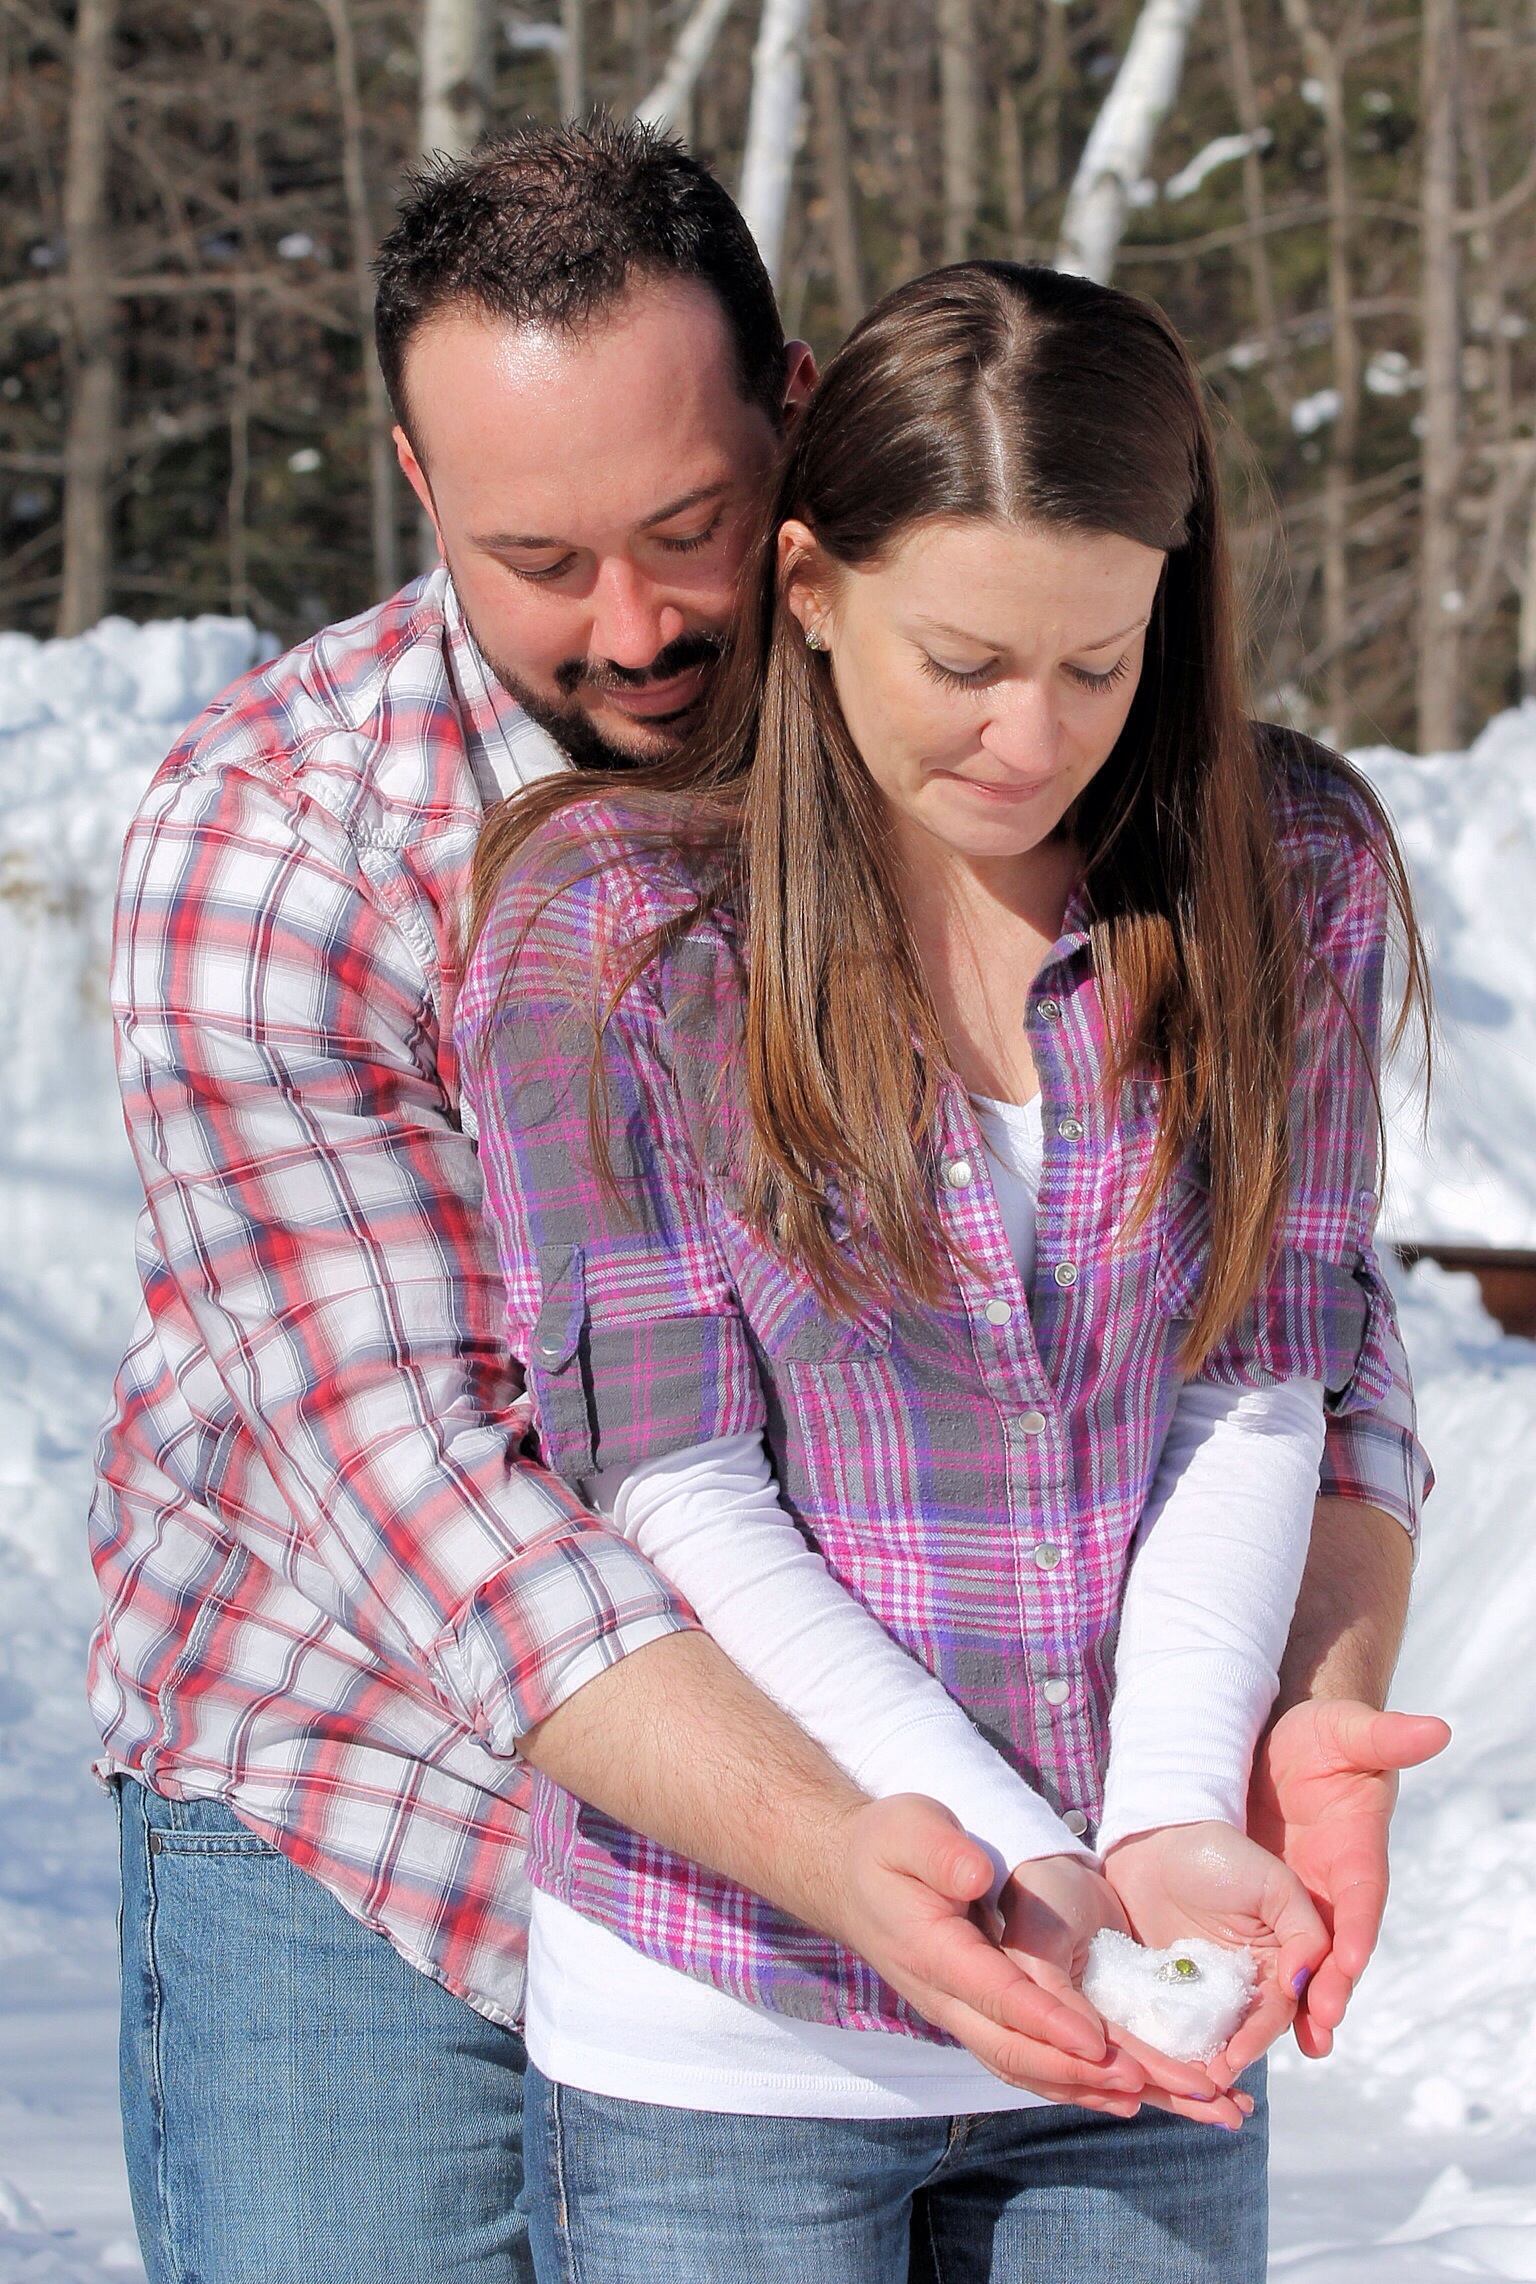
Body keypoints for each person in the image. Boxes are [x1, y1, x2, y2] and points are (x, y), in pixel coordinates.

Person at [91, 120, 1441, 2284]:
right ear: (419, 485)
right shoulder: (284, 844)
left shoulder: (980, 740)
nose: (634, 628)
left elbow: (1286, 1343)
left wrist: (1265, 1728)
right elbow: (459, 1494)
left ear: (796, 440)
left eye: (686, 529)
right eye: (537, 557)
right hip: (381, 1788)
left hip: (989, 1843)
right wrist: (887, 1843)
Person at [458, 256, 1442, 2282]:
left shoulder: (1285, 867)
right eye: (968, 660)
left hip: (1137, 1997)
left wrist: (1163, 1821)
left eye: (1100, 661)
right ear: (812, 585)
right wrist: (1015, 1857)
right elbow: (675, 1476)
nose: (1033, 734)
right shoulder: (620, 929)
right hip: (737, 2027)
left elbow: (1259, 1379)